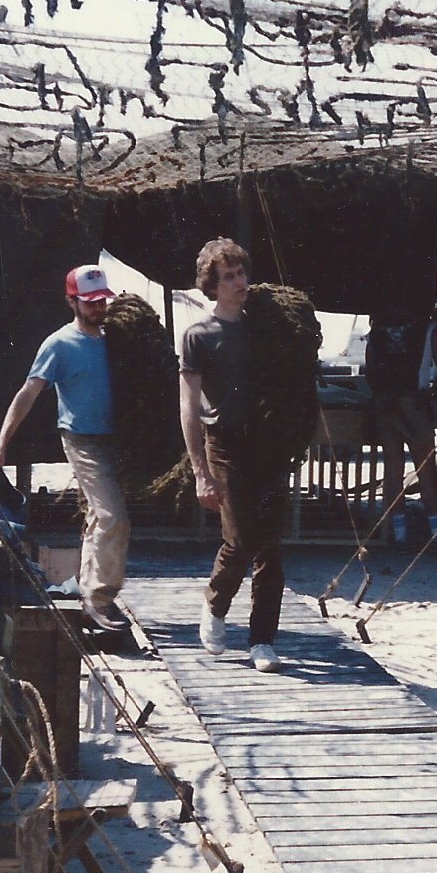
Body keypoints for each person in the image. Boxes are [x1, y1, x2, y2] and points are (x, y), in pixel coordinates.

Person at [0, 264, 129, 633]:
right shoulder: (58, 345)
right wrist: (2, 444)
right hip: (81, 440)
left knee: (98, 519)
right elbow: (28, 394)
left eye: (102, 301)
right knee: (112, 516)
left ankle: (89, 591)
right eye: (90, 302)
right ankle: (99, 602)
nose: (98, 308)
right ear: (71, 301)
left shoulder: (118, 338)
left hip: (116, 440)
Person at [179, 238, 289, 673]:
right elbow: (188, 404)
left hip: (268, 443)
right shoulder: (199, 335)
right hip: (224, 443)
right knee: (241, 539)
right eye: (229, 276)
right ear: (213, 284)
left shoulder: (263, 329)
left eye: (242, 272)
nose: (240, 282)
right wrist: (199, 470)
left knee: (272, 547)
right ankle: (215, 603)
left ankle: (262, 640)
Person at [364, 312, 437, 549]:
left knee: (393, 471)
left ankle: (399, 533)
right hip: (414, 404)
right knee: (425, 471)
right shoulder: (428, 327)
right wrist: (431, 395)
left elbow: (370, 367)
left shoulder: (378, 326)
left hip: (385, 403)